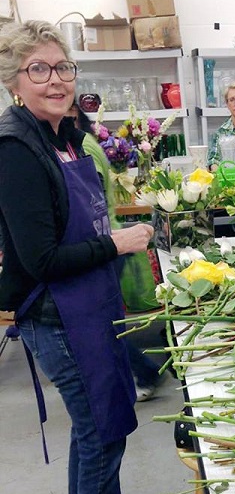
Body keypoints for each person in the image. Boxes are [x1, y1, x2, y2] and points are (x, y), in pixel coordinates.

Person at [0, 20, 173, 494]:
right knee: (102, 434)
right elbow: (43, 258)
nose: (56, 80)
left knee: (94, 426)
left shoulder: (63, 133)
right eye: (39, 70)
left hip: (88, 302)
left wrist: (111, 234)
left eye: (63, 67)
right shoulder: (15, 149)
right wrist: (118, 244)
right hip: (55, 312)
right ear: (14, 81)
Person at [66, 103, 165, 402]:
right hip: (103, 243)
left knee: (100, 326)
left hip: (104, 244)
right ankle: (141, 373)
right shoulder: (77, 144)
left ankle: (144, 372)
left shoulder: (82, 146)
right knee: (101, 325)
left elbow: (87, 201)